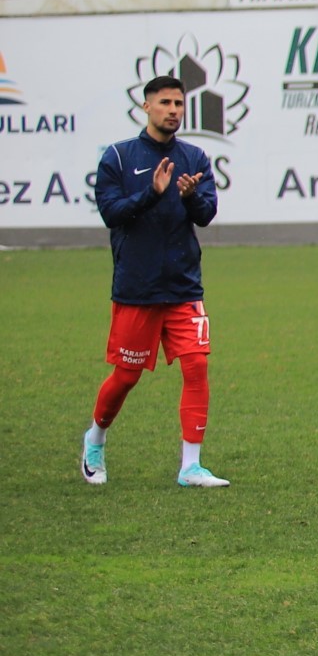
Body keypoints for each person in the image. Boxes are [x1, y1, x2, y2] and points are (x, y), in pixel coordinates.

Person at [84, 74, 225, 488]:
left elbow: (206, 214)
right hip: (137, 288)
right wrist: (152, 192)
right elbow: (111, 213)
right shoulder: (119, 157)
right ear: (146, 107)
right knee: (125, 377)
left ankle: (191, 466)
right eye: (165, 103)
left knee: (196, 367)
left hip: (183, 286)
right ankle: (95, 439)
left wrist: (188, 196)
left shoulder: (195, 157)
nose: (173, 111)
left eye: (179, 104)